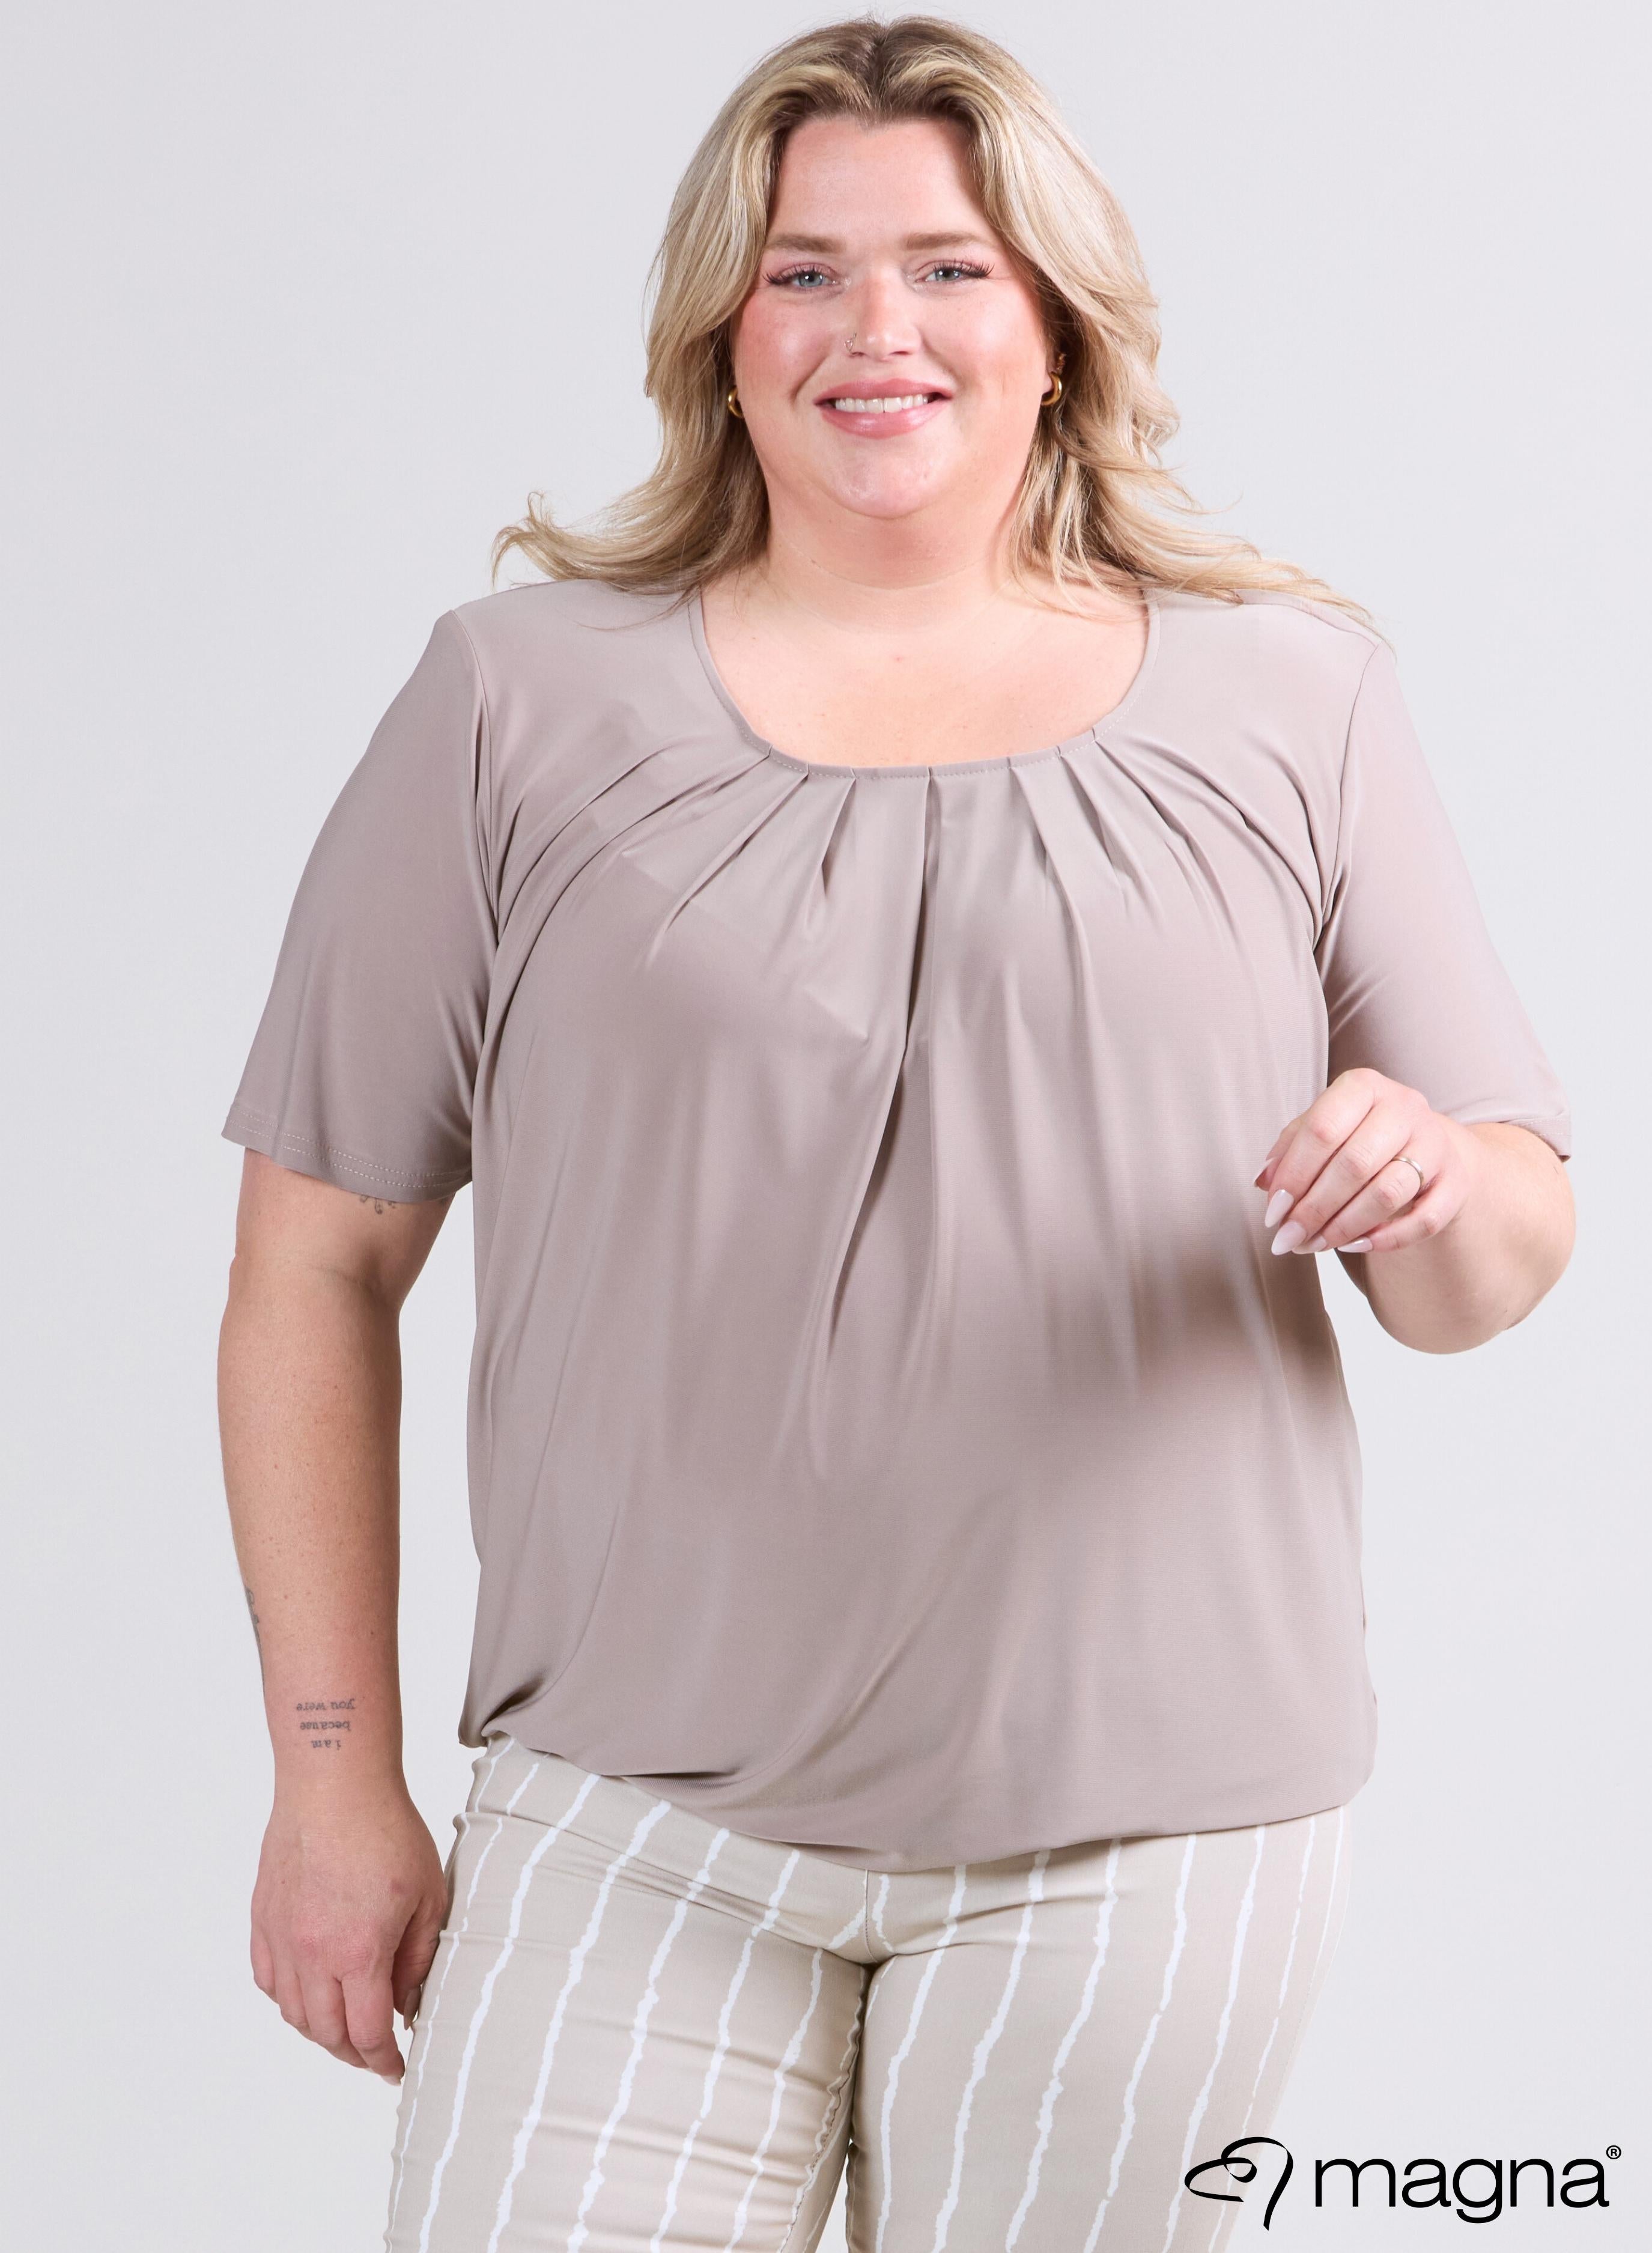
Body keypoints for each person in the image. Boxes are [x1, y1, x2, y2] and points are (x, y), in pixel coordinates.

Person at [216, 16, 1575, 2250]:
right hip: (632, 1818)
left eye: (950, 267)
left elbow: (1493, 1258)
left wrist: (1428, 1177)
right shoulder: (511, 702)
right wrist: (329, 1782)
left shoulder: (1297, 697)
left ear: (1058, 325)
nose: (880, 330)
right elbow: (313, 1263)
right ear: (718, 334)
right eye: (805, 272)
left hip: (1151, 1841)